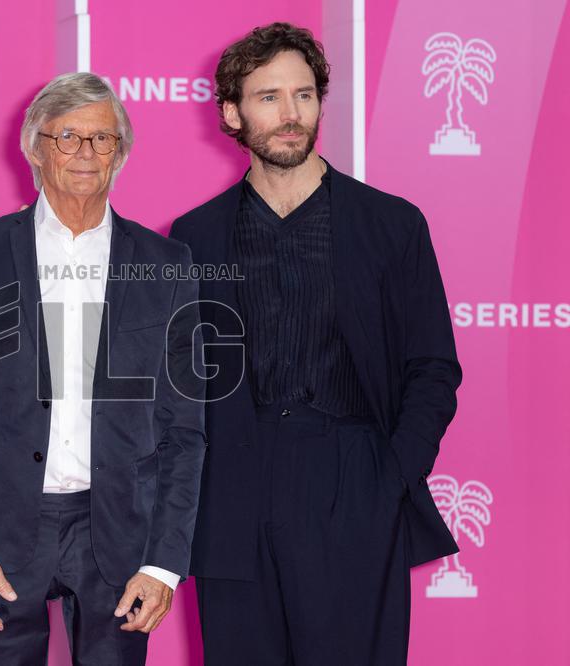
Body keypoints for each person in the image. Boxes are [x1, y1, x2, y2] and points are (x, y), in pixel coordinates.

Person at [170, 23, 462, 666]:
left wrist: (387, 479)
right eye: (268, 97)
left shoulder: (391, 224)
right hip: (235, 493)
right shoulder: (194, 237)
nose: (290, 114)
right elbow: (179, 387)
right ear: (232, 112)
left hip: (351, 475)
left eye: (304, 95)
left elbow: (434, 367)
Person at [0, 72, 206, 665]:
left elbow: (185, 430)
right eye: (68, 137)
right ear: (35, 147)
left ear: (120, 154)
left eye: (103, 140)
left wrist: (164, 564)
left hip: (120, 535)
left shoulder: (168, 264)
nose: (86, 154)